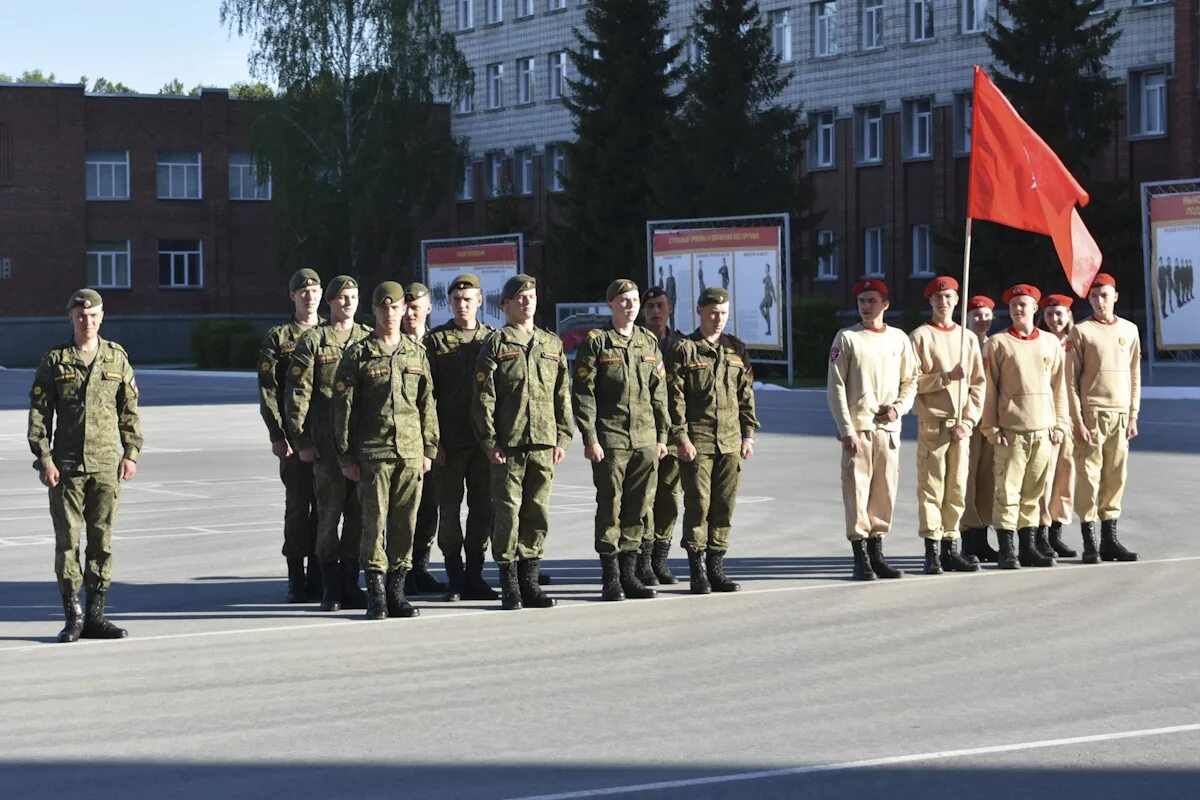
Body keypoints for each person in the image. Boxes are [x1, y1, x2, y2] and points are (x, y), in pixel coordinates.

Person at [29, 288, 142, 642]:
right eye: (80, 316)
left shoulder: (116, 358)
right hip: (66, 467)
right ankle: (73, 616)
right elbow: (39, 415)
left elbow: (129, 411)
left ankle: (96, 614)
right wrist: (44, 459)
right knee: (68, 543)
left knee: (102, 541)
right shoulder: (56, 360)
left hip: (107, 465)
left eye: (93, 316)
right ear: (71, 318)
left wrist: (131, 453)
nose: (87, 321)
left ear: (102, 316)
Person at [332, 282, 438, 620]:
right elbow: (344, 408)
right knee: (373, 523)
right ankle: (376, 594)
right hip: (374, 453)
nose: (390, 313)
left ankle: (397, 592)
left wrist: (429, 448)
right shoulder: (359, 353)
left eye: (395, 308)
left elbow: (427, 404)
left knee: (405, 523)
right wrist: (346, 455)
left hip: (410, 452)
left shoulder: (416, 352)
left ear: (405, 310)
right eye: (383, 308)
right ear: (374, 311)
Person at [473, 274, 573, 610]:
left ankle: (530, 582)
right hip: (509, 444)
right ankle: (509, 584)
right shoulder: (497, 344)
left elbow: (562, 394)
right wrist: (489, 441)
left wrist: (563, 435)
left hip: (544, 442)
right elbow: (484, 397)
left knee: (537, 513)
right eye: (519, 297)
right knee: (507, 514)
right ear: (505, 306)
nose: (526, 301)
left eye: (530, 295)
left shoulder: (550, 343)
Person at [572, 279, 670, 601]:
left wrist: (662, 435)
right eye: (622, 301)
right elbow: (583, 394)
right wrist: (590, 437)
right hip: (611, 438)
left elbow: (660, 393)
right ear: (611, 305)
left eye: (633, 300)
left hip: (645, 439)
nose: (629, 306)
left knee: (638, 507)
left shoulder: (648, 343)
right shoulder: (597, 343)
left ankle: (630, 575)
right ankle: (611, 577)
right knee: (610, 506)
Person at [284, 275, 373, 612]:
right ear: (329, 303)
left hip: (363, 446)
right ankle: (330, 586)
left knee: (358, 517)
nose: (347, 303)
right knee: (328, 516)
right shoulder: (314, 341)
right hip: (326, 446)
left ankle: (351, 582)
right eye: (340, 298)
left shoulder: (368, 340)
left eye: (352, 297)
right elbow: (298, 393)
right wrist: (301, 439)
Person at [665, 286, 760, 594]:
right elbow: (673, 398)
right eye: (713, 313)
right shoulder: (685, 349)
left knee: (724, 505)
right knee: (697, 504)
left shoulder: (736, 349)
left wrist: (749, 435)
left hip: (731, 441)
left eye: (723, 314)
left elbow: (746, 396)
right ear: (700, 312)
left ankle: (717, 567)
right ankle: (697, 570)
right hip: (698, 441)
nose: (718, 319)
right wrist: (680, 437)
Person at [827, 279, 917, 581]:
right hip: (859, 428)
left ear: (886, 304)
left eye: (873, 301)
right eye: (862, 301)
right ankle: (860, 556)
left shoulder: (899, 339)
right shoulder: (847, 338)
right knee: (856, 490)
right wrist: (846, 428)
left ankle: (878, 552)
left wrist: (899, 407)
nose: (867, 307)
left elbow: (911, 381)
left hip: (888, 428)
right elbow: (836, 387)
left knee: (885, 490)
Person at [981, 284, 1069, 570]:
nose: (1019, 309)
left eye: (1025, 304)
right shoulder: (997, 344)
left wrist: (1060, 423)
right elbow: (989, 390)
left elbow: (1059, 387)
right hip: (1011, 433)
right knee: (1007, 491)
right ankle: (1007, 549)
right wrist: (991, 427)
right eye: (1014, 305)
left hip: (1043, 430)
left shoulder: (1050, 343)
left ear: (1035, 309)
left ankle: (1028, 546)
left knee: (1033, 491)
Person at [425, 273, 498, 602]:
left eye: (468, 299)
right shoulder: (437, 341)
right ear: (449, 303)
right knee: (450, 511)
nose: (462, 304)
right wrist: (433, 440)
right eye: (456, 299)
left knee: (483, 509)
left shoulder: (493, 340)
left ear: (480, 301)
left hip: (485, 443)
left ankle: (475, 574)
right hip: (449, 443)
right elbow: (425, 397)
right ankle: (454, 575)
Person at [908, 276, 984, 575]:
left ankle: (952, 545)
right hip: (933, 423)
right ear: (930, 301)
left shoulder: (968, 338)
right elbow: (911, 382)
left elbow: (978, 384)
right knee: (931, 488)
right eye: (938, 298)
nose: (944, 302)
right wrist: (946, 377)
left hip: (960, 425)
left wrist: (969, 419)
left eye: (950, 297)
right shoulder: (920, 337)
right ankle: (932, 549)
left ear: (956, 300)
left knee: (956, 487)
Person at [258, 268, 324, 603]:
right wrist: (277, 434)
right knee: (299, 509)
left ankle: (320, 574)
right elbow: (268, 390)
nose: (309, 297)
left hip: (328, 439)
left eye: (314, 291)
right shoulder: (279, 337)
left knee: (327, 509)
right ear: (293, 296)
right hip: (294, 442)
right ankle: (296, 577)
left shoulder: (332, 333)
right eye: (303, 292)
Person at [1067, 273, 1141, 563]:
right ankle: (1090, 542)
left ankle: (1110, 540)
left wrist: (1133, 414)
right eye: (1095, 296)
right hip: (1092, 414)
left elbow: (1135, 374)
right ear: (1089, 298)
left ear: (1115, 297)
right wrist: (1078, 420)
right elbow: (1070, 380)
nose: (1100, 301)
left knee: (1115, 477)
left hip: (1121, 415)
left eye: (1105, 295)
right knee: (1088, 477)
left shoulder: (1130, 330)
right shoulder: (1081, 331)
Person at [401, 282, 448, 597]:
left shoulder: (438, 346)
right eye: (406, 308)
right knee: (402, 509)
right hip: (400, 442)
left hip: (433, 443)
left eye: (417, 307)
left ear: (429, 308)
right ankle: (401, 571)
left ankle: (420, 567)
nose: (410, 314)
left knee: (429, 508)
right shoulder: (391, 344)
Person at [639, 286, 685, 584]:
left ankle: (660, 558)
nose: (656, 310)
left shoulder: (682, 345)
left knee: (668, 498)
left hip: (672, 434)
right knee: (643, 498)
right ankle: (642, 560)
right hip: (642, 433)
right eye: (651, 306)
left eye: (661, 305)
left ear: (670, 309)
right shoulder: (634, 343)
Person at [1036, 293, 1080, 560]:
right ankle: (1039, 534)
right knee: (1044, 478)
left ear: (1068, 317)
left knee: (1066, 477)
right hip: (1046, 418)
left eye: (1059, 314)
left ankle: (1056, 533)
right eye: (1050, 315)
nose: (1054, 319)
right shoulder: (1039, 342)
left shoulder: (1076, 344)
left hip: (1072, 420)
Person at [959, 295, 1001, 563]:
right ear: (967, 318)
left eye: (986, 315)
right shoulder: (960, 344)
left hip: (991, 422)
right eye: (976, 315)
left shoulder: (995, 345)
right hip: (967, 421)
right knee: (966, 480)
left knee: (987, 480)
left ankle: (983, 537)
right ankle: (967, 540)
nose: (982, 320)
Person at [760, 264, 775, 336]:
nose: (765, 269)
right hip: (767, 297)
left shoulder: (769, 278)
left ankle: (766, 318)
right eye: (765, 268)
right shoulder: (766, 277)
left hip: (768, 298)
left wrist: (774, 298)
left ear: (768, 269)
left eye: (766, 268)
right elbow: (763, 281)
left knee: (760, 307)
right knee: (768, 315)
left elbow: (772, 288)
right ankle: (769, 330)